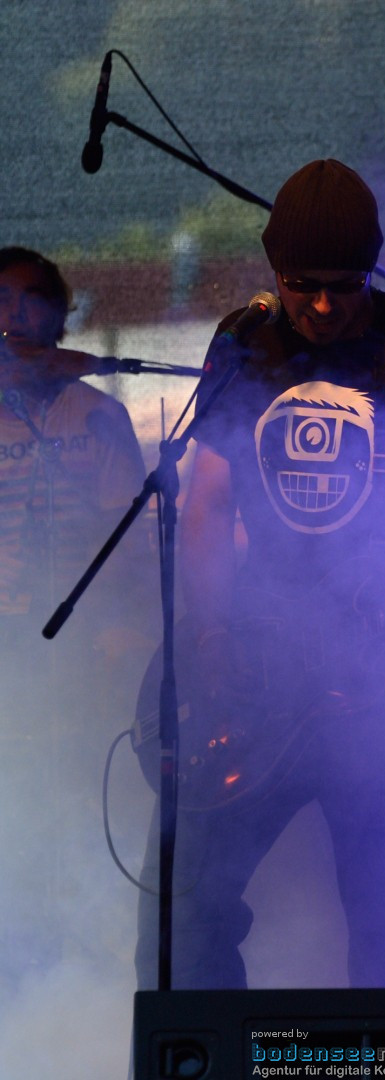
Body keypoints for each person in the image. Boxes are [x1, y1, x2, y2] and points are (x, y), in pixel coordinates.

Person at [135, 160, 385, 990]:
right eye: (300, 284)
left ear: (372, 269)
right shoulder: (244, 339)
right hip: (257, 683)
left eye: (342, 286)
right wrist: (206, 638)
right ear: (275, 272)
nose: (321, 304)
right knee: (183, 912)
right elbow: (206, 502)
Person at [0, 246, 152, 997]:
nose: (14, 317)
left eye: (30, 302)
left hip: (78, 650)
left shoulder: (100, 418)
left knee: (75, 811)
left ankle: (79, 976)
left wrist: (118, 632)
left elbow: (127, 542)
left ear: (56, 318)